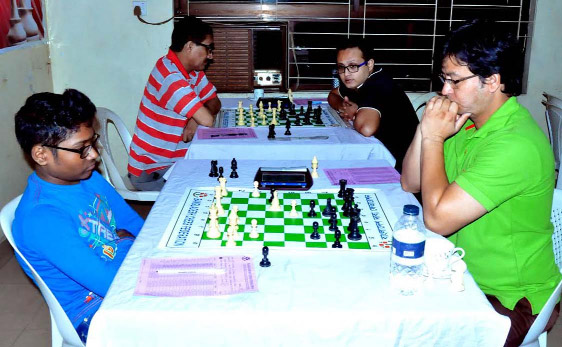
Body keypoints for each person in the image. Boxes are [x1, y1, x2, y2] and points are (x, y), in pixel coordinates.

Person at [401, 20, 561, 346]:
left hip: (510, 297)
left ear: (492, 81)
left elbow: (437, 219)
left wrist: (433, 136)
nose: (444, 90)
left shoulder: (515, 144)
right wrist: (426, 127)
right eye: (443, 79)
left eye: (454, 81)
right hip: (462, 273)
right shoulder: (469, 123)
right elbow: (409, 181)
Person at [12, 89, 144, 343]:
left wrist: (130, 242)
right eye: (81, 148)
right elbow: (111, 285)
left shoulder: (88, 178)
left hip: (123, 280)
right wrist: (126, 242)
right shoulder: (42, 218)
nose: (94, 154)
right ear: (41, 154)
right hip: (95, 315)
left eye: (92, 143)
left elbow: (134, 225)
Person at [128, 16, 221, 190]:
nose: (211, 55)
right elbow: (207, 120)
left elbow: (215, 102)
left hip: (172, 160)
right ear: (190, 46)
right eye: (208, 48)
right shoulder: (170, 77)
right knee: (214, 183)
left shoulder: (191, 71)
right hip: (152, 170)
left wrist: (194, 120)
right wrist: (199, 118)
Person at [327, 38, 419, 172]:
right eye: (341, 67)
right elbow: (332, 95)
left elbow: (366, 128)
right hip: (387, 155)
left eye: (353, 66)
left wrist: (355, 112)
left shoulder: (378, 84)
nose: (346, 73)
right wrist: (342, 105)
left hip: (404, 166)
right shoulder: (358, 79)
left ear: (369, 65)